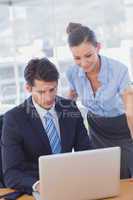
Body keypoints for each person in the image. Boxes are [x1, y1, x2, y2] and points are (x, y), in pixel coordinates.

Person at [1, 58, 91, 194]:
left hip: (69, 185)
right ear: (28, 88)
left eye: (52, 89)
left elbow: (86, 152)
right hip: (36, 189)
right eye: (42, 92)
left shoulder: (70, 109)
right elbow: (11, 173)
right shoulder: (14, 119)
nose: (49, 97)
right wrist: (37, 185)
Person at [66, 22, 133, 179]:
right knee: (102, 176)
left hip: (122, 128)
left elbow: (130, 112)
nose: (83, 63)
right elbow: (70, 101)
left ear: (98, 47)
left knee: (127, 176)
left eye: (88, 55)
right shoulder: (72, 73)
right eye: (77, 58)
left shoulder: (119, 70)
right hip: (96, 130)